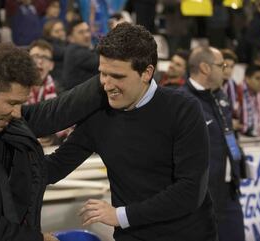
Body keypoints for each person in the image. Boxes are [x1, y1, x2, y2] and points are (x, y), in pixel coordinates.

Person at [47, 23, 217, 241]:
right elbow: (53, 167)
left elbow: (190, 191)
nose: (107, 85)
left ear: (147, 73)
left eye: (117, 76)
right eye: (103, 74)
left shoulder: (184, 109)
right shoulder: (99, 115)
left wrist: (121, 215)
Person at [0, 42, 106, 241]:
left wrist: (105, 80)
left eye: (21, 104)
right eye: (12, 103)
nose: (17, 113)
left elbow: (54, 112)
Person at [181, 46, 245, 241]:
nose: (225, 69)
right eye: (221, 65)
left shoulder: (221, 97)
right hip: (201, 199)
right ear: (205, 68)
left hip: (229, 192)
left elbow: (228, 136)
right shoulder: (181, 102)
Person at [61, 20, 99, 90]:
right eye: (81, 32)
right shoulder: (75, 52)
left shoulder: (78, 49)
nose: (87, 35)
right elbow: (102, 62)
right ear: (70, 38)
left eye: (87, 31)